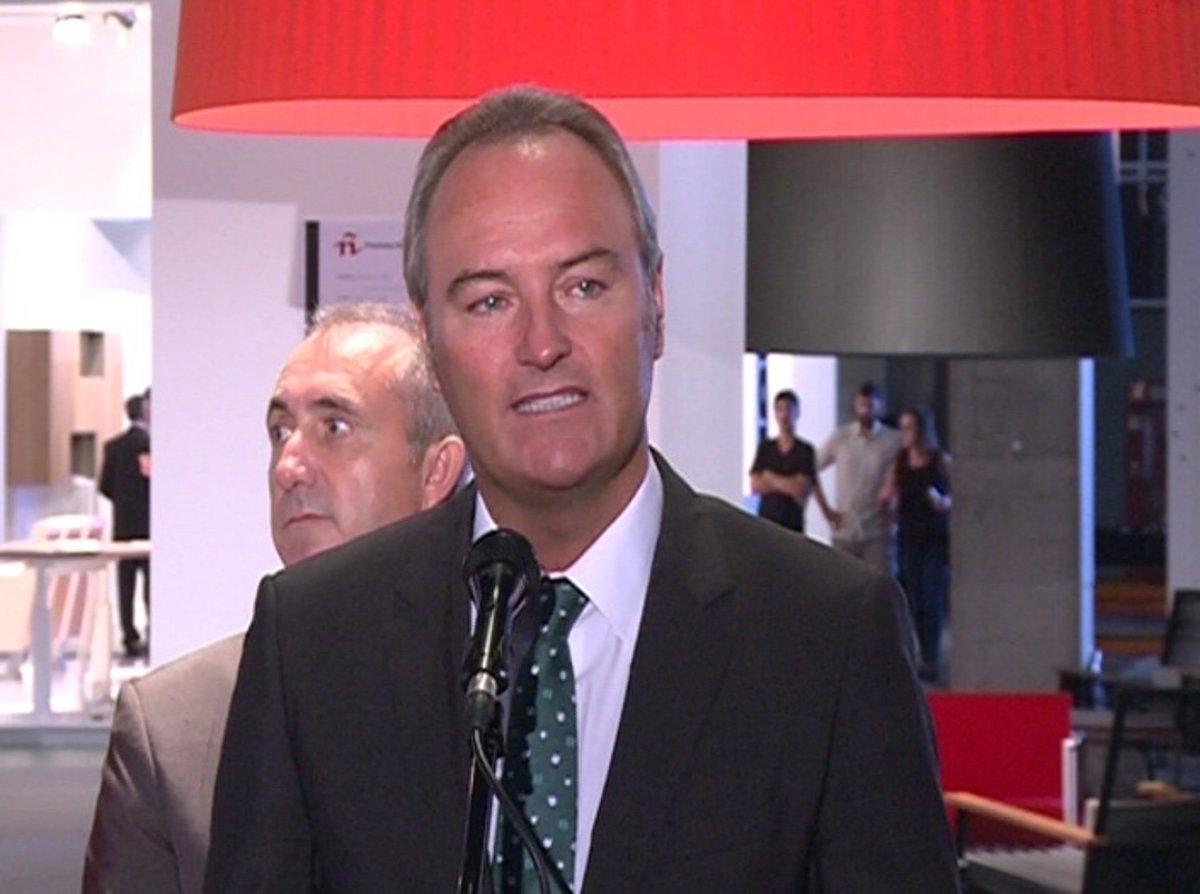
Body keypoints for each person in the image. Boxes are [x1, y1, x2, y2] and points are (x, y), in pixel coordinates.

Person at [205, 87, 958, 893]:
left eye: (584, 287)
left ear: (655, 303)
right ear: (431, 343)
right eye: (490, 301)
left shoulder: (827, 637)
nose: (543, 344)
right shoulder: (313, 641)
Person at [81, 303, 466, 894]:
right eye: (280, 432)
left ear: (437, 470)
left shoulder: (514, 699)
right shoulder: (171, 731)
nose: (289, 466)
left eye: (335, 427)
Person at [882, 407, 952, 683]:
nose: (905, 434)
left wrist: (944, 502)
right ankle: (918, 655)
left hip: (933, 537)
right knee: (913, 599)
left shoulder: (939, 460)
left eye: (909, 427)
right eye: (902, 428)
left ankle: (932, 658)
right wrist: (887, 502)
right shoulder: (900, 461)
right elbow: (889, 493)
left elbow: (955, 492)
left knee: (931, 598)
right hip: (908, 537)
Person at [814, 380, 903, 575]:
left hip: (877, 532)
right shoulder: (841, 437)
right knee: (843, 584)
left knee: (880, 585)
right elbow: (811, 468)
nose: (865, 410)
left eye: (870, 405)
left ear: (879, 407)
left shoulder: (894, 441)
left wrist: (895, 509)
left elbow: (906, 475)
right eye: (862, 404)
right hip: (845, 530)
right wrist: (826, 511)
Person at [99, 390, 152, 658]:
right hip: (149, 525)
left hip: (123, 525)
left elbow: (104, 485)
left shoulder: (113, 447)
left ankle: (129, 635)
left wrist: (123, 501)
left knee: (126, 585)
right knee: (151, 583)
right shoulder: (150, 444)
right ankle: (153, 630)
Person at [749, 389, 817, 533]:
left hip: (792, 524)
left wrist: (769, 477)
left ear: (797, 412)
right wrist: (788, 483)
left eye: (788, 409)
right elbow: (755, 485)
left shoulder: (805, 451)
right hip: (766, 522)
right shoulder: (765, 448)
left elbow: (800, 489)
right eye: (779, 409)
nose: (784, 414)